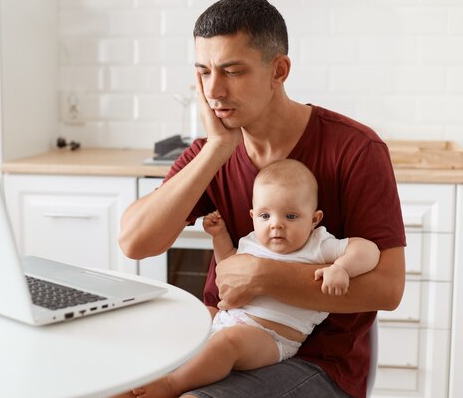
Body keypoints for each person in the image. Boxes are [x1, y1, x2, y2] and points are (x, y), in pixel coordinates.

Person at [119, 0, 406, 398]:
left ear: (279, 70)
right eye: (203, 72)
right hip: (217, 332)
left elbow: (388, 289)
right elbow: (135, 242)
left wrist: (262, 277)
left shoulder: (355, 149)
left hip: (318, 360)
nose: (214, 90)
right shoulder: (209, 152)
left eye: (232, 71)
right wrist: (216, 150)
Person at [129, 159, 380, 398]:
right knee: (194, 315)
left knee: (230, 342)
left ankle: (174, 384)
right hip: (227, 320)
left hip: (271, 338)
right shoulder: (252, 241)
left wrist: (343, 268)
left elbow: (369, 250)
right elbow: (228, 267)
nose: (276, 225)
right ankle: (152, 367)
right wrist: (219, 237)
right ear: (253, 216)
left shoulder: (318, 245)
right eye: (265, 216)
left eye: (290, 216)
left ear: (314, 219)